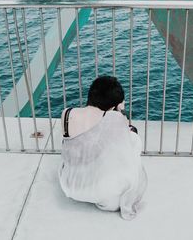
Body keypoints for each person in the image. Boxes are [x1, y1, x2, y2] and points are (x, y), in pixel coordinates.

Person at [58, 76, 147, 220]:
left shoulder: (67, 113)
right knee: (134, 139)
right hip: (101, 193)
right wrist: (120, 113)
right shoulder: (112, 120)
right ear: (113, 107)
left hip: (70, 184)